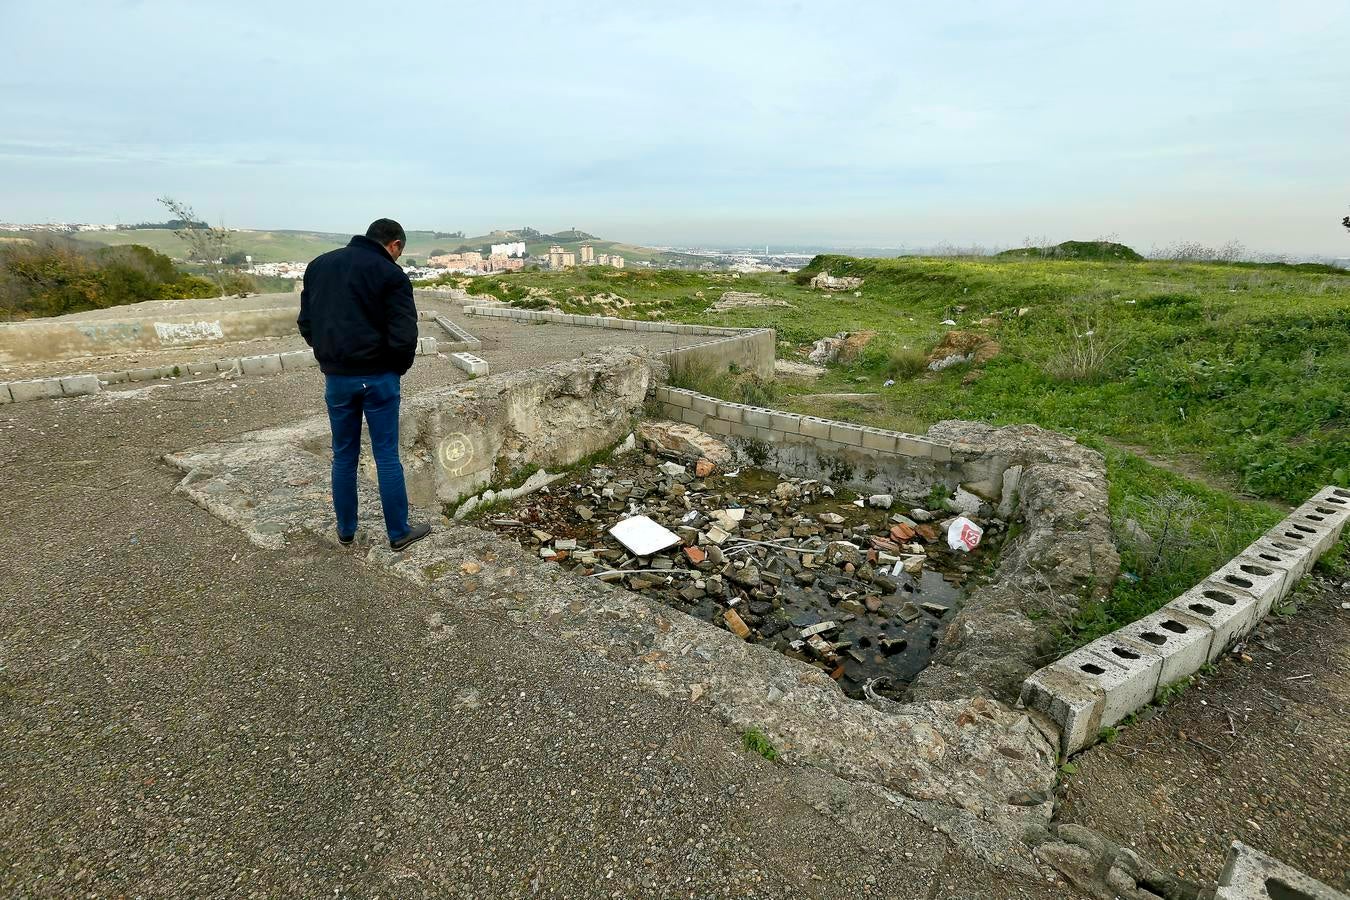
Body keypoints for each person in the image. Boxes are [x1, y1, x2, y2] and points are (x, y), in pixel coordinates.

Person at [297, 218, 432, 552]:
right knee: (386, 456)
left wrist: (329, 359)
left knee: (343, 456)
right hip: (378, 378)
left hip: (338, 379)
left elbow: (306, 322)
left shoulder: (319, 266)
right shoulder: (390, 274)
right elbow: (405, 334)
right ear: (395, 244)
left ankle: (345, 530)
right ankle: (398, 533)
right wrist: (394, 369)